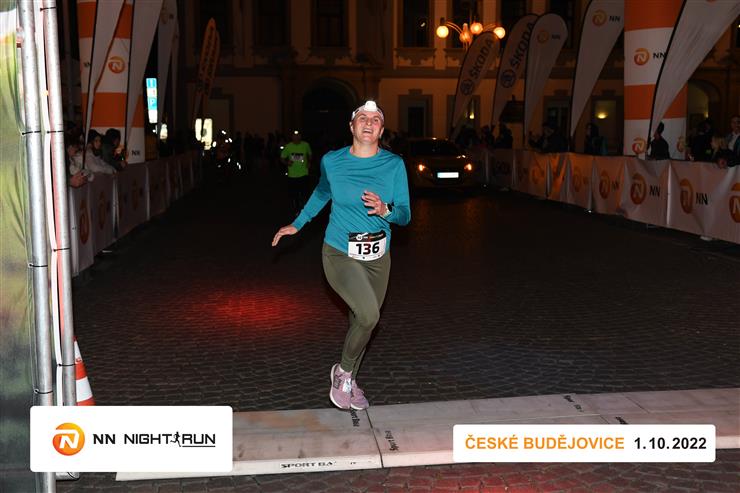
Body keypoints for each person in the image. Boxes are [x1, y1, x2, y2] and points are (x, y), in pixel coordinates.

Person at [271, 100, 411, 411]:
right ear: (351, 126)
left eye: (375, 119)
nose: (368, 123)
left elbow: (404, 215)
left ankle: (350, 381)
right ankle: (343, 372)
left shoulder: (394, 165)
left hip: (378, 258)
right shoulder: (332, 161)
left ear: (381, 130)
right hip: (340, 252)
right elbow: (322, 193)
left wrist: (385, 210)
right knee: (369, 315)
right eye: (362, 118)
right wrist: (298, 223)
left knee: (361, 322)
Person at [280, 130, 313, 212]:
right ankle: (295, 208)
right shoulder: (288, 146)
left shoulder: (306, 145)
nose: (296, 137)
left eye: (298, 135)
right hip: (292, 175)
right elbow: (282, 158)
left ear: (300, 136)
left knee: (304, 193)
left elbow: (310, 154)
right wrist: (287, 162)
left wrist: (309, 162)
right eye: (294, 136)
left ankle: (304, 208)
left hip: (304, 173)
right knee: (294, 194)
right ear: (292, 137)